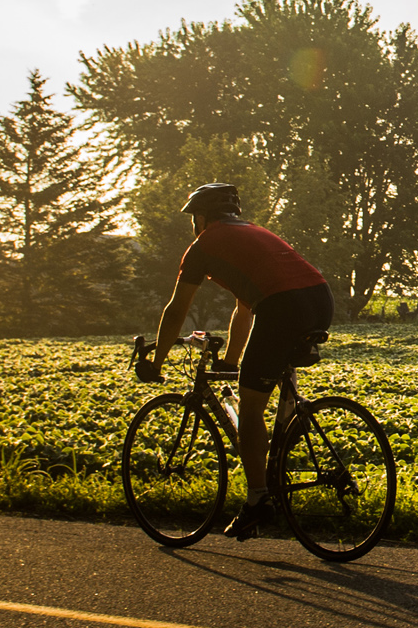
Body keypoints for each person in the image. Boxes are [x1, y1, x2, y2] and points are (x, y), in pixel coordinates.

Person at [133, 183, 334, 539]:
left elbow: (177, 309)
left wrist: (158, 362)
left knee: (251, 407)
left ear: (202, 217)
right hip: (320, 298)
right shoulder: (254, 232)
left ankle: (258, 501)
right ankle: (288, 432)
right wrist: (230, 360)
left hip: (283, 307)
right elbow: (245, 307)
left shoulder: (203, 245)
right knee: (270, 372)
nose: (193, 225)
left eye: (193, 218)